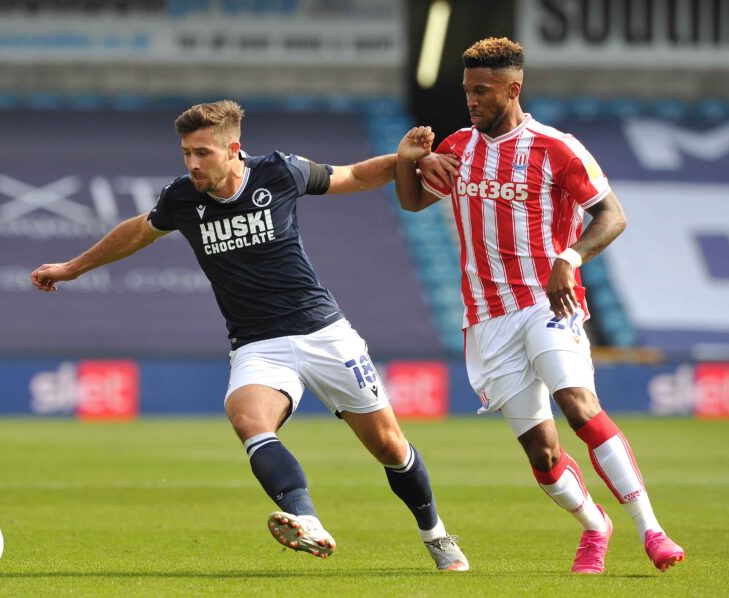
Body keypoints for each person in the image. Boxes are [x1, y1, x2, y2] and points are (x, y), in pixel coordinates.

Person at [31, 100, 469, 571]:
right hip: (258, 343)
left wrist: (404, 159)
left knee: (389, 447)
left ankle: (436, 534)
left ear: (232, 149)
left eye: (202, 153)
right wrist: (72, 268)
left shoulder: (279, 172)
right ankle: (307, 521)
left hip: (323, 332)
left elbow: (354, 175)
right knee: (247, 419)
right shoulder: (182, 198)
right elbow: (137, 231)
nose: (193, 163)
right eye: (186, 153)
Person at [394, 38, 685, 574]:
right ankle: (596, 526)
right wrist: (408, 161)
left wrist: (569, 258)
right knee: (544, 456)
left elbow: (612, 215)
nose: (471, 100)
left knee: (578, 406)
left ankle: (653, 531)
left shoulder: (556, 148)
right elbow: (413, 202)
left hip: (546, 302)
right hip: (488, 316)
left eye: (482, 91)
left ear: (513, 89)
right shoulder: (458, 147)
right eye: (467, 90)